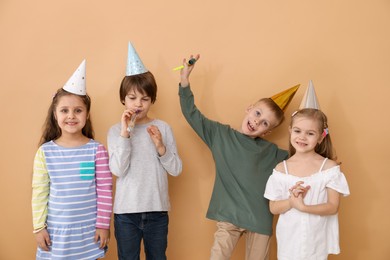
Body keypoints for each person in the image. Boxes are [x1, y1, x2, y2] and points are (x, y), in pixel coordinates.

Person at [178, 54, 299, 260]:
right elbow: (192, 114)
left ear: (267, 132)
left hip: (259, 220)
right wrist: (184, 81)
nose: (257, 122)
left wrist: (323, 154)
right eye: (258, 114)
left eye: (265, 124)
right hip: (229, 217)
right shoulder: (221, 136)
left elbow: (301, 160)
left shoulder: (273, 153)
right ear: (249, 107)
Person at [107, 42, 182, 260]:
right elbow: (118, 170)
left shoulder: (163, 128)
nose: (138, 104)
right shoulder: (115, 131)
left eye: (145, 99)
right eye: (132, 98)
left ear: (152, 100)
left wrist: (161, 147)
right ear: (123, 99)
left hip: (157, 211)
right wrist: (125, 134)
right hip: (125, 213)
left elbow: (176, 169)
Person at [31, 60, 113, 259]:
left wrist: (103, 225)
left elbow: (105, 190)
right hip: (56, 235)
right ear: (55, 113)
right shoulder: (45, 152)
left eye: (78, 110)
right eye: (64, 110)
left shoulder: (97, 150)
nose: (71, 116)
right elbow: (40, 191)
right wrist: (38, 227)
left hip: (88, 235)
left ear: (87, 114)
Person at [264, 81, 350, 259]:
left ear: (320, 137)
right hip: (289, 241)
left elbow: (332, 207)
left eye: (310, 133)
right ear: (290, 131)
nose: (302, 137)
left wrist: (303, 207)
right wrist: (291, 202)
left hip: (316, 242)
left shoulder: (329, 169)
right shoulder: (282, 169)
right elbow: (273, 207)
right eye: (297, 131)